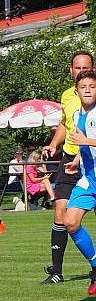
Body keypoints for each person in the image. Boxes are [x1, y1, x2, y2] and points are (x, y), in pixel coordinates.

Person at [41, 51, 95, 284]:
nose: (82, 73)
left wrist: (86, 144)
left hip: (87, 162)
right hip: (80, 165)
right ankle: (57, 271)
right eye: (78, 69)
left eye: (87, 69)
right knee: (64, 215)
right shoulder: (70, 102)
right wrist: (56, 145)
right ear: (71, 71)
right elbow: (65, 124)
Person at [62, 68, 96, 295]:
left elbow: (86, 140)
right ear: (76, 91)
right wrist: (76, 160)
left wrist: (87, 140)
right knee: (70, 221)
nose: (88, 90)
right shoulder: (76, 116)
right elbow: (83, 144)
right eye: (83, 87)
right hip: (88, 180)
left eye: (92, 87)